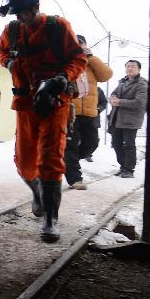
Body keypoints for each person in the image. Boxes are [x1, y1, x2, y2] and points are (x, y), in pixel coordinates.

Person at [0, 0, 87, 242]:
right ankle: (37, 192)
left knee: (50, 158)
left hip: (54, 102)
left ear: (36, 6)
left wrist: (61, 78)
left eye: (24, 12)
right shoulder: (12, 31)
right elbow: (0, 52)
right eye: (17, 13)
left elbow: (78, 58)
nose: (21, 18)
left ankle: (50, 218)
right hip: (25, 103)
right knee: (24, 162)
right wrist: (10, 61)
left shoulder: (58, 27)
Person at [63, 35, 113, 189]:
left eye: (81, 44)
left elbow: (106, 75)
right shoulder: (66, 61)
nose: (78, 47)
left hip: (90, 112)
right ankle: (75, 179)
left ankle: (68, 161)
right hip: (70, 112)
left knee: (91, 143)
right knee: (70, 146)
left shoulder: (91, 62)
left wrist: (90, 57)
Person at [108, 59, 148, 178]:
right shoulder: (123, 81)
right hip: (117, 118)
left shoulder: (142, 84)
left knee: (129, 144)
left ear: (139, 69)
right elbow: (113, 94)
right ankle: (123, 166)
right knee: (116, 143)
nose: (129, 68)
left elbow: (139, 102)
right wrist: (113, 99)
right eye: (128, 66)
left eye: (133, 66)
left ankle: (129, 170)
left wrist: (119, 102)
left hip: (131, 120)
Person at [84, 86, 108, 162]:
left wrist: (98, 109)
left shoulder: (98, 89)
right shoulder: (79, 86)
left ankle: (87, 153)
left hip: (93, 119)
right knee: (78, 139)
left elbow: (104, 102)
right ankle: (76, 156)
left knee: (94, 141)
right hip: (79, 118)